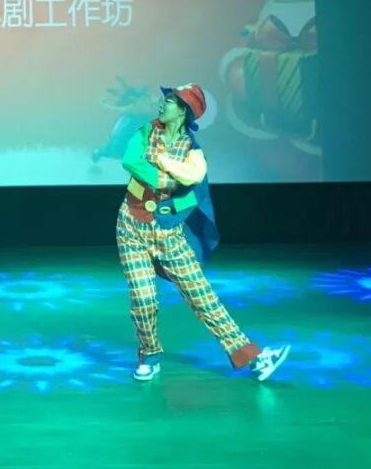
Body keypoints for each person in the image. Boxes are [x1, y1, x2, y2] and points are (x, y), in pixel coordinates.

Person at [116, 83, 289, 382]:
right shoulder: (146, 132)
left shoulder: (192, 151)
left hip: (168, 233)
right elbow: (131, 160)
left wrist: (172, 198)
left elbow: (194, 191)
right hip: (131, 225)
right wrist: (164, 179)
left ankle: (254, 358)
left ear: (182, 111)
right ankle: (149, 354)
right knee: (143, 299)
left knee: (202, 296)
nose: (162, 104)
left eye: (170, 101)